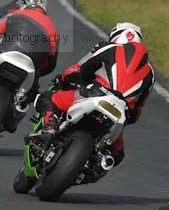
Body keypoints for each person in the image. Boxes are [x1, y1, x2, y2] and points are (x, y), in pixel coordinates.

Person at [35, 22, 154, 167]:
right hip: (120, 113)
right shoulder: (150, 72)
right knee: (117, 153)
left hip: (95, 94)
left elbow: (78, 70)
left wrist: (64, 80)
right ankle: (95, 165)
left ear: (116, 35)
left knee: (49, 98)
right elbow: (137, 111)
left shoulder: (109, 47)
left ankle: (50, 126)